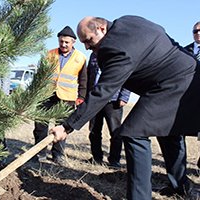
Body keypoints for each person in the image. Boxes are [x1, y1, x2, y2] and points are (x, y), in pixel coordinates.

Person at [50, 15, 200, 200]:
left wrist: (67, 126)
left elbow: (103, 91)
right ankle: (180, 188)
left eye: (88, 40)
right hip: (185, 75)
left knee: (133, 132)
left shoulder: (116, 48)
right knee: (167, 133)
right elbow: (160, 30)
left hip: (175, 83)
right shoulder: (128, 21)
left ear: (101, 29)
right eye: (83, 43)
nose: (87, 47)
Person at [33, 26, 87, 165]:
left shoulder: (80, 58)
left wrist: (81, 97)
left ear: (73, 42)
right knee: (40, 125)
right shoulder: (50, 54)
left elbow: (84, 80)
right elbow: (40, 74)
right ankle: (39, 153)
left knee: (62, 127)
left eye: (66, 42)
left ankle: (58, 155)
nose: (63, 44)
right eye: (61, 41)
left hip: (67, 97)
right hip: (47, 95)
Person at [87, 52, 130, 168]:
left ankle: (114, 160)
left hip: (113, 100)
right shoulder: (93, 55)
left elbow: (127, 74)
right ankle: (96, 158)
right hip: (95, 99)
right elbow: (89, 75)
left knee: (115, 131)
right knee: (94, 131)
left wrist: (124, 96)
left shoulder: (117, 52)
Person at [184, 21, 200, 169]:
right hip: (185, 97)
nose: (198, 33)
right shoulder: (183, 51)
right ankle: (178, 166)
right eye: (195, 31)